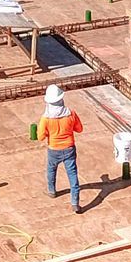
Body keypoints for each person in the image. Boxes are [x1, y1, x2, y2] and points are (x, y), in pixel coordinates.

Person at [39, 84, 84, 213]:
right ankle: (75, 203)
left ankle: (52, 191)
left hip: (54, 149)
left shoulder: (46, 118)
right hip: (69, 148)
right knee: (72, 174)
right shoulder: (71, 114)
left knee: (51, 170)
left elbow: (40, 136)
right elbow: (79, 129)